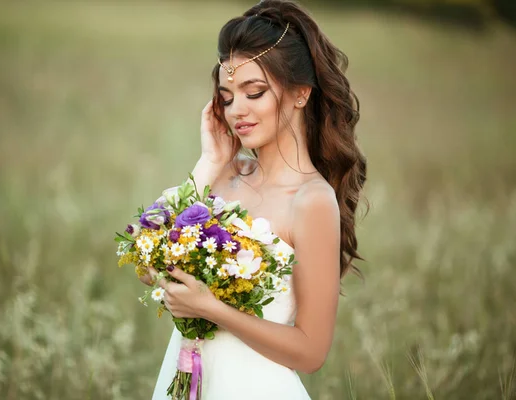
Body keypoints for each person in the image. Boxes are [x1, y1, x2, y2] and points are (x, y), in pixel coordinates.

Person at [141, 1, 367, 398]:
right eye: (227, 97)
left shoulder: (311, 201)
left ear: (300, 94)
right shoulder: (223, 174)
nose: (236, 111)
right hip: (186, 380)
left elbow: (311, 352)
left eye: (255, 92)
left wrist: (212, 309)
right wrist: (209, 162)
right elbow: (147, 260)